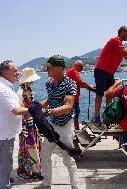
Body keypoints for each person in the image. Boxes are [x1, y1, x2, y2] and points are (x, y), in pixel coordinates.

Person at [34, 55, 79, 189]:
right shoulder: (49, 83)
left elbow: (68, 107)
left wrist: (48, 112)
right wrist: (37, 107)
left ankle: (75, 186)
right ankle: (46, 183)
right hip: (52, 125)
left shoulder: (70, 83)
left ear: (59, 68)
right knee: (44, 154)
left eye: (50, 67)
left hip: (65, 125)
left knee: (68, 159)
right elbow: (50, 99)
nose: (47, 69)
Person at [0, 60, 28, 189]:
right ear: (5, 72)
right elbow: (16, 110)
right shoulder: (2, 88)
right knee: (6, 161)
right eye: (15, 70)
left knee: (0, 157)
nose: (18, 73)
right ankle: (4, 185)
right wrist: (36, 110)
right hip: (3, 134)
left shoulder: (4, 85)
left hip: (0, 132)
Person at [16, 67, 44, 180]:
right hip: (25, 123)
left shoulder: (29, 90)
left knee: (34, 146)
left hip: (32, 122)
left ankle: (35, 170)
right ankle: (29, 171)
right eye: (31, 79)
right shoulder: (20, 93)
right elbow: (19, 109)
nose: (33, 81)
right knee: (27, 146)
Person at [66, 60, 96, 130]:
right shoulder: (73, 71)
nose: (82, 68)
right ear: (77, 65)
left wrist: (89, 86)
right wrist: (93, 89)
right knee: (75, 117)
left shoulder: (71, 71)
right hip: (73, 99)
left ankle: (75, 132)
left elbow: (78, 84)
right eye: (81, 67)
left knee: (73, 117)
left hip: (71, 98)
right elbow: (82, 83)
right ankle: (77, 133)